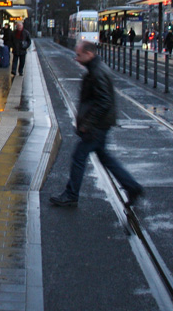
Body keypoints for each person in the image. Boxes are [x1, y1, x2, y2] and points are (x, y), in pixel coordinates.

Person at [50, 41, 144, 208]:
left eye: (79, 55)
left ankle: (71, 194)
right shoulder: (95, 69)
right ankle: (132, 187)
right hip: (100, 124)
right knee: (104, 157)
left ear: (89, 54)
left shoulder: (97, 72)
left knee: (79, 156)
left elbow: (104, 102)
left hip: (97, 126)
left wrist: (88, 124)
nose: (76, 58)